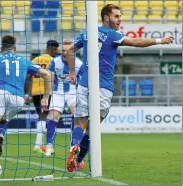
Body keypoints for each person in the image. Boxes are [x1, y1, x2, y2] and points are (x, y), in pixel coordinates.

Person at [65, 4, 174, 172]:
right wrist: (160, 40)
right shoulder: (112, 34)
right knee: (93, 128)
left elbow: (70, 50)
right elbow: (136, 42)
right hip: (103, 87)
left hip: (84, 83)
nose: (119, 20)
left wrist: (72, 73)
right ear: (106, 18)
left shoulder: (87, 33)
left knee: (79, 123)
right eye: (116, 16)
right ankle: (78, 159)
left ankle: (74, 147)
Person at [44, 40, 84, 156]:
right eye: (63, 51)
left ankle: (73, 145)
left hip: (73, 92)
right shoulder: (55, 62)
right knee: (53, 116)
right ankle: (49, 146)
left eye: (68, 51)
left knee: (76, 115)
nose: (65, 53)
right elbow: (50, 80)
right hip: (58, 92)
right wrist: (46, 97)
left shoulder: (79, 64)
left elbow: (81, 84)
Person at [26, 40, 59, 154]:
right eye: (56, 49)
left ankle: (41, 145)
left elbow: (28, 77)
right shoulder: (53, 60)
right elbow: (55, 77)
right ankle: (38, 145)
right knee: (46, 117)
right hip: (47, 92)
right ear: (53, 49)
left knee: (42, 116)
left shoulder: (36, 60)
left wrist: (26, 94)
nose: (57, 52)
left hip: (35, 91)